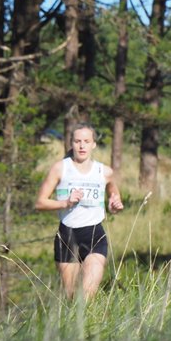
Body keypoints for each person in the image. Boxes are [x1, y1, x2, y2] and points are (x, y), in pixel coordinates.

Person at [34, 123, 124, 299]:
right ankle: (71, 326)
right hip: (67, 235)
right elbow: (40, 203)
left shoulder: (104, 172)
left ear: (93, 144)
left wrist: (114, 206)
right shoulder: (61, 168)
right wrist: (66, 202)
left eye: (86, 141)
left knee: (87, 296)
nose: (82, 146)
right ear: (71, 143)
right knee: (71, 297)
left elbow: (114, 196)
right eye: (77, 141)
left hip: (94, 236)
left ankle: (89, 326)